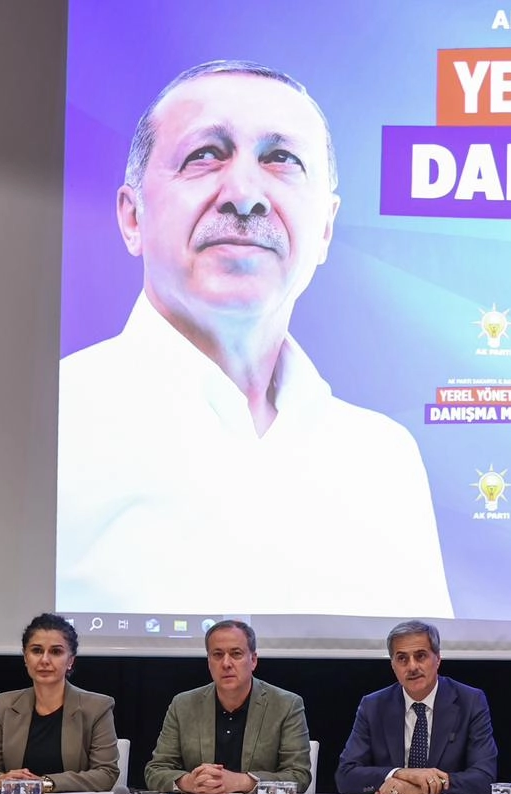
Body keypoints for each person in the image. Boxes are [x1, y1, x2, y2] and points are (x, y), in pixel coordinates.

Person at [57, 59, 449, 618]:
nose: (244, 194)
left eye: (281, 159)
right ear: (132, 218)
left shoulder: (385, 461)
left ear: (326, 228)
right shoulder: (48, 424)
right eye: (204, 154)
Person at [143, 619, 312, 793]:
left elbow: (298, 775)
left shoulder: (286, 705)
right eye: (217, 655)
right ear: (209, 662)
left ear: (253, 660)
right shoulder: (183, 705)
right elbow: (156, 770)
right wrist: (190, 782)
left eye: (236, 654)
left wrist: (241, 782)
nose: (226, 663)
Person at [335, 620, 499, 794]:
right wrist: (400, 774)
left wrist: (420, 788)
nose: (412, 667)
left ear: (438, 659)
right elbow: (345, 775)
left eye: (420, 656)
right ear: (393, 665)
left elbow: (484, 777)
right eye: (402, 658)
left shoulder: (470, 701)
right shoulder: (373, 706)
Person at [0, 613, 120, 792]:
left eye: (56, 652)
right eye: (37, 651)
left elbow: (106, 774)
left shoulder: (97, 707)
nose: (44, 660)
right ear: (25, 657)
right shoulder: (7, 704)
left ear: (70, 661)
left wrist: (45, 784)